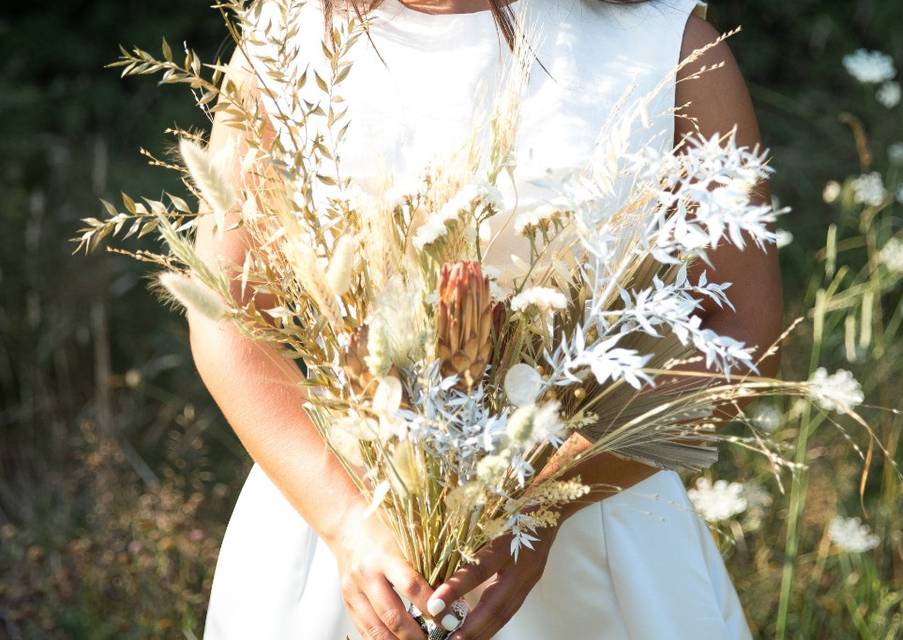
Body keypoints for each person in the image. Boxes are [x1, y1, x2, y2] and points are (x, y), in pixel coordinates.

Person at [193, 0, 783, 637]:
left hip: (596, 546)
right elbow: (225, 314)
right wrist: (345, 520)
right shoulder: (290, 39)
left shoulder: (670, 48)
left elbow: (744, 335)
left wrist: (548, 497)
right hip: (344, 537)